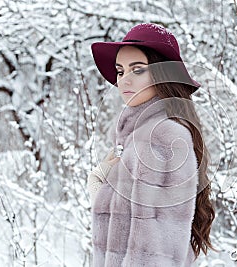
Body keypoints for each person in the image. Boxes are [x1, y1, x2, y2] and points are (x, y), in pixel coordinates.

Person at [87, 22, 216, 267]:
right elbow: (125, 227)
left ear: (162, 74)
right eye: (120, 71)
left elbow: (152, 253)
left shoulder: (162, 138)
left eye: (137, 70)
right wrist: (101, 185)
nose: (124, 80)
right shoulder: (138, 137)